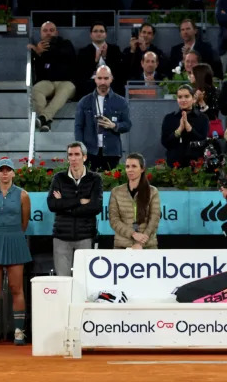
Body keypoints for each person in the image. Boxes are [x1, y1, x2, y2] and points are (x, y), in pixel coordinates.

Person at [0, 158, 30, 345]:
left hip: (15, 239)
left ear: (13, 173)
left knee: (16, 288)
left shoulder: (23, 195)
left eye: (8, 170)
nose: (4, 173)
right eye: (1, 170)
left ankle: (19, 331)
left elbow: (24, 222)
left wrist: (12, 233)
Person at [47, 141, 103, 277]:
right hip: (61, 237)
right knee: (63, 281)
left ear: (84, 157)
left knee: (84, 280)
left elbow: (95, 207)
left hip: (85, 236)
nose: (73, 158)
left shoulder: (94, 179)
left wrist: (65, 205)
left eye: (77, 154)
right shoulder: (59, 178)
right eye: (70, 155)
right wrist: (79, 201)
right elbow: (52, 205)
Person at [74, 66, 131, 171]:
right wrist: (80, 149)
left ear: (111, 79)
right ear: (95, 79)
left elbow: (127, 125)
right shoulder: (84, 101)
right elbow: (78, 127)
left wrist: (114, 126)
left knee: (110, 185)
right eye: (100, 78)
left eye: (106, 78)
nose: (102, 82)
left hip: (112, 152)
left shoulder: (121, 102)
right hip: (90, 151)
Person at [29, 21, 76, 132]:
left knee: (63, 92)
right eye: (45, 31)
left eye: (51, 30)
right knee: (36, 89)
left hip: (66, 82)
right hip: (47, 82)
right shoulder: (39, 49)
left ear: (57, 32)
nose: (48, 33)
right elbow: (39, 72)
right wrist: (38, 55)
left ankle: (43, 117)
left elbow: (66, 55)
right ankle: (46, 121)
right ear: (41, 34)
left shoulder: (66, 44)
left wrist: (45, 50)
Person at [108, 153, 162, 250]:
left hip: (147, 246)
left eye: (134, 166)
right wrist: (133, 234)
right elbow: (114, 220)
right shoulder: (116, 192)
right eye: (127, 166)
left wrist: (140, 242)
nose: (130, 170)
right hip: (122, 246)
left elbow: (154, 220)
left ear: (142, 169)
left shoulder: (153, 191)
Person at [161, 84, 208, 166]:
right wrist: (179, 130)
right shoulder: (169, 118)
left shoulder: (202, 118)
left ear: (193, 99)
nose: (183, 100)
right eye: (180, 97)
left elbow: (203, 141)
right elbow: (165, 142)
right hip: (174, 164)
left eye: (186, 96)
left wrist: (189, 129)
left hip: (195, 164)